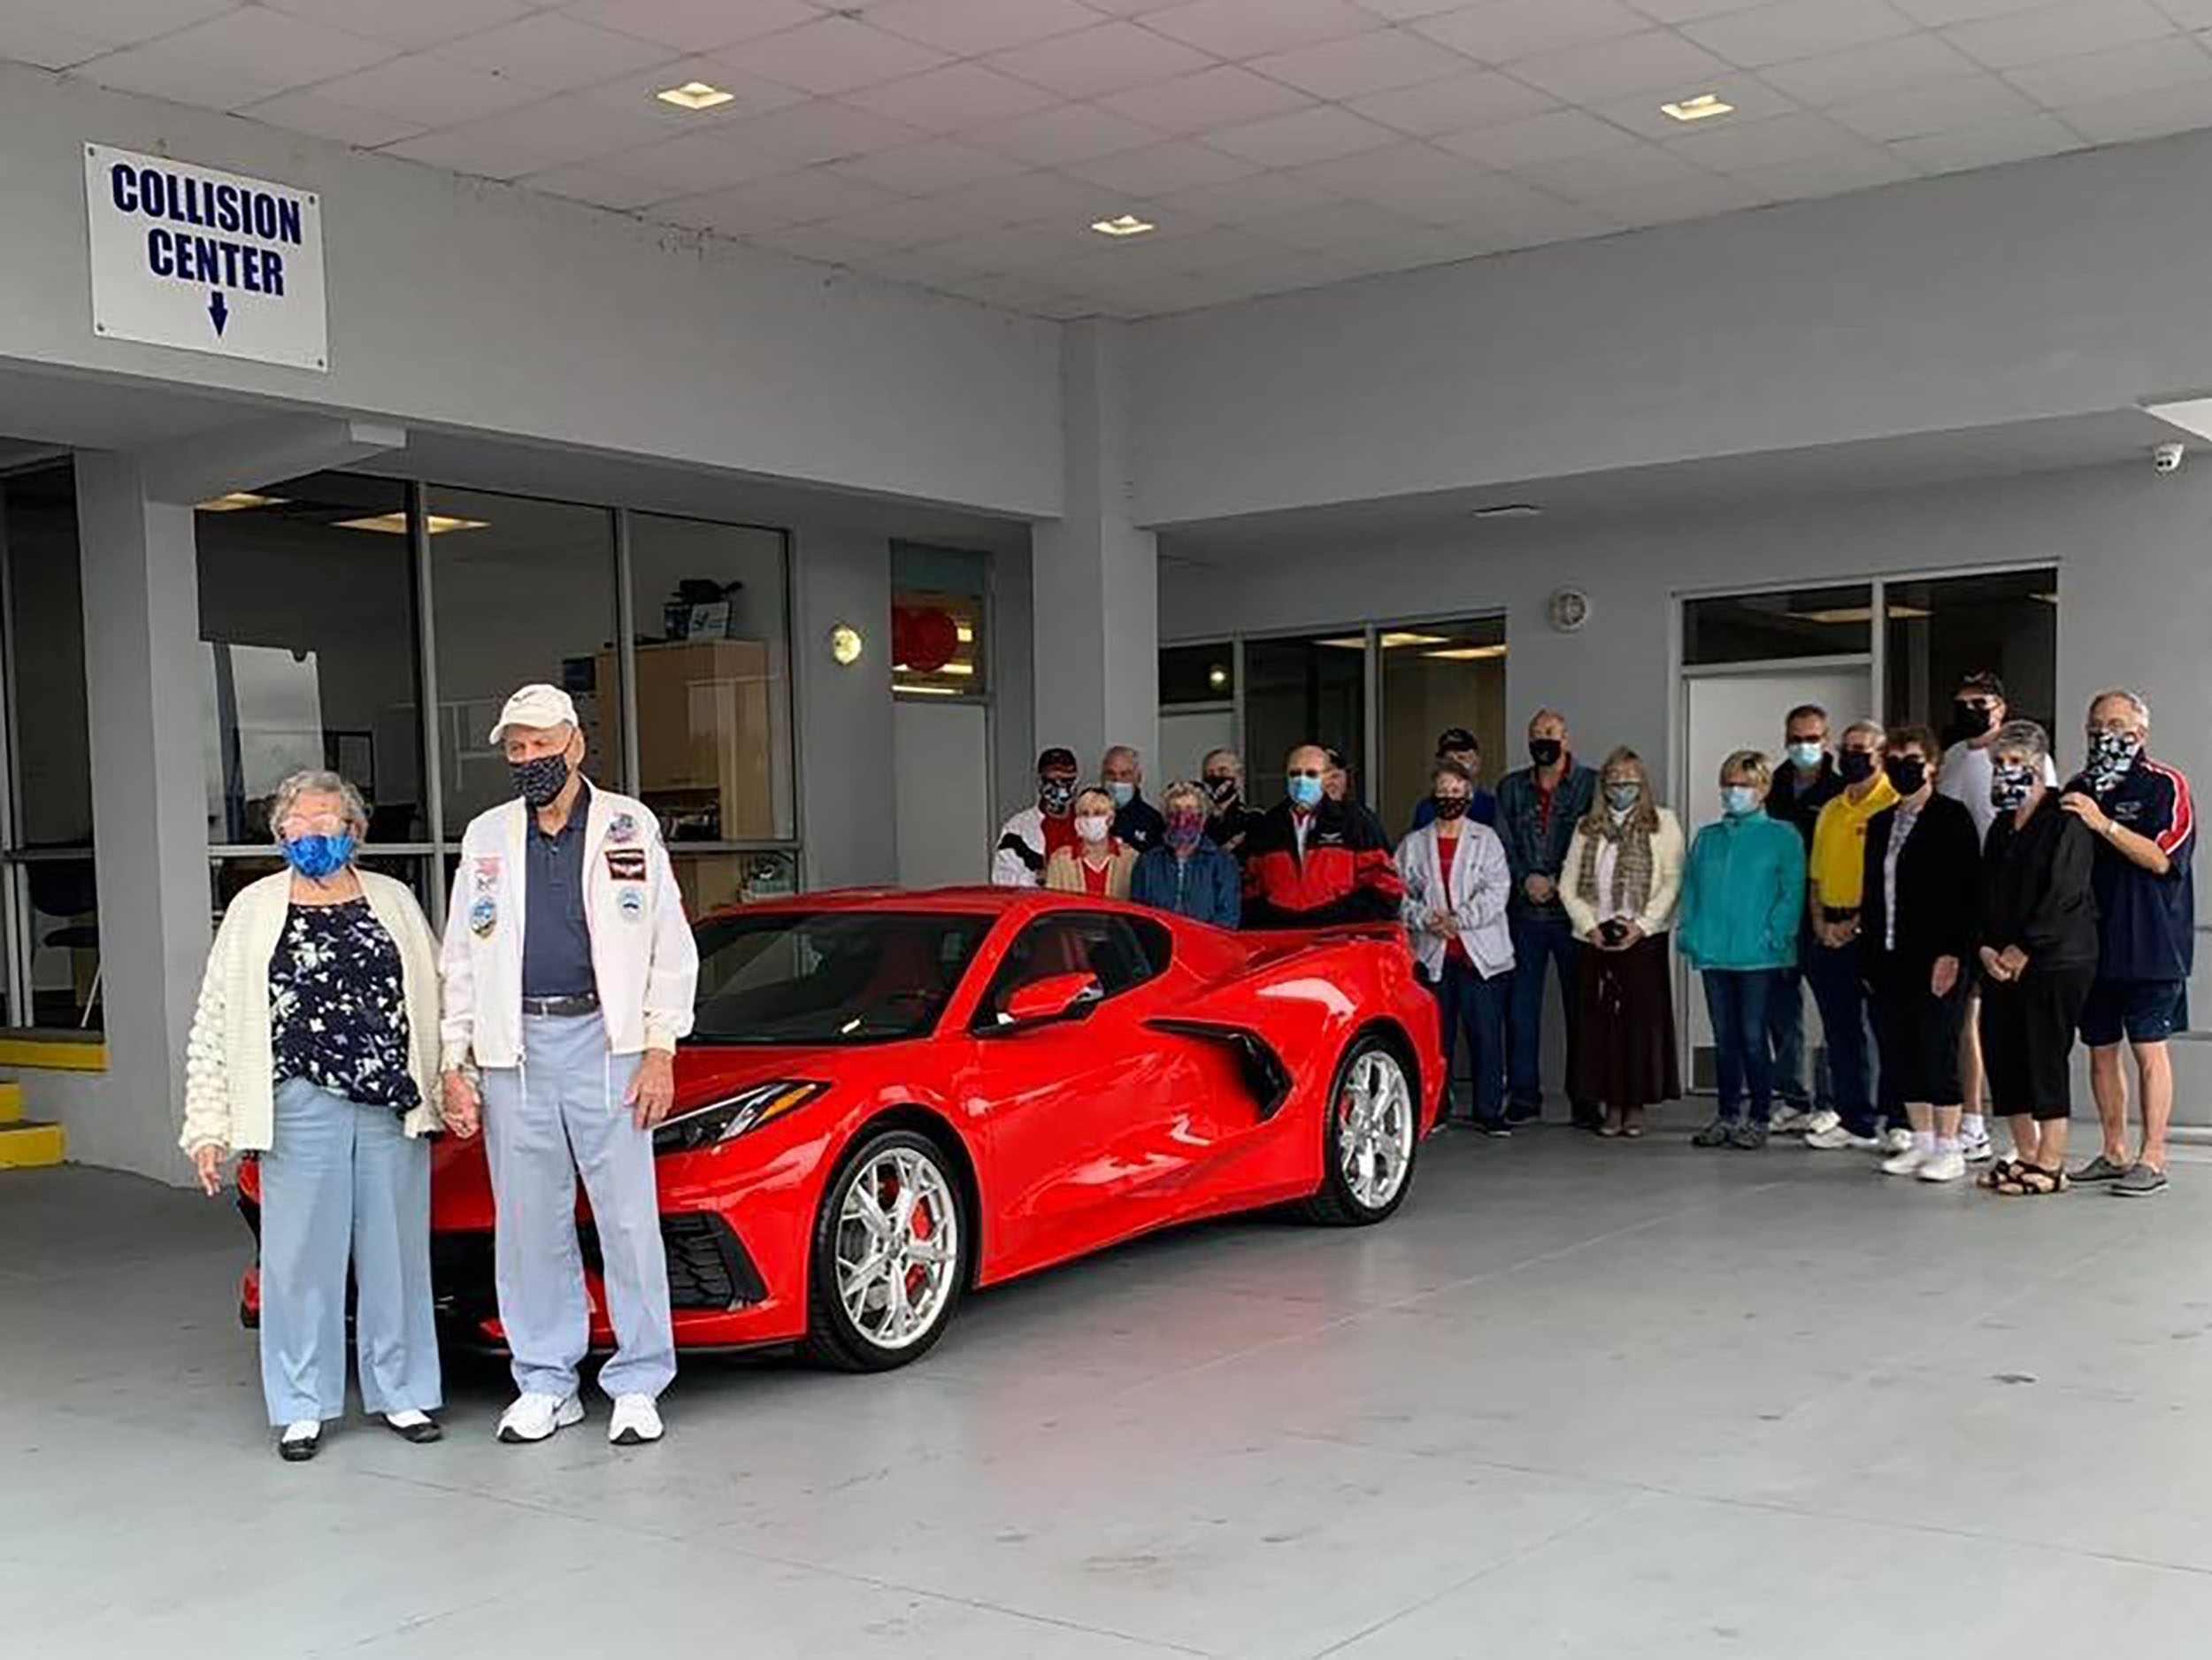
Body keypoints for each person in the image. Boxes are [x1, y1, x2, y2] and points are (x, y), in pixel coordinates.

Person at [438, 684, 698, 1448]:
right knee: (527, 1225)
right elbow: (461, 952)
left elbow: (667, 943)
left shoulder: (627, 824)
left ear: (575, 744)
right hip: (515, 1045)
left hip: (605, 1043)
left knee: (624, 1217)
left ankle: (639, 1377)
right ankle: (546, 1379)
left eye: (541, 747)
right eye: (515, 749)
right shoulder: (487, 835)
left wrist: (660, 1048)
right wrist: (456, 1057)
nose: (529, 761)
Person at [181, 770, 446, 1461]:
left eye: (326, 823)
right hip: (296, 1102)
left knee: (396, 1255)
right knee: (299, 1261)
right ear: (278, 835)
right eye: (296, 825)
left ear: (354, 832)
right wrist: (208, 1124)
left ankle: (403, 1391)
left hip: (389, 1103)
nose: (311, 835)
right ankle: (302, 1404)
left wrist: (458, 1079)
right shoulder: (252, 909)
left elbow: (435, 998)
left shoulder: (393, 900)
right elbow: (215, 1019)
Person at [2062, 690, 2195, 1197]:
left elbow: (2163, 858)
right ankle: (2114, 1150)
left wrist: (2104, 823)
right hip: (2092, 945)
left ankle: (2153, 1156)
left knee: (2148, 1048)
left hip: (2153, 943)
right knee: (2099, 1050)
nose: (2105, 733)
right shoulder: (2077, 788)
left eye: (2116, 724)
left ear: (2140, 733)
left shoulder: (2165, 786)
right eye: (2096, 724)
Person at [1974, 720, 2099, 1196]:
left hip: (2057, 960)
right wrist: (1986, 947)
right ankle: (2024, 1152)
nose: (2006, 773)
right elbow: (1986, 894)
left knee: (2045, 1052)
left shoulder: (2065, 820)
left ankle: (2051, 1160)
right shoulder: (2001, 828)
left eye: (2016, 765)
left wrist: (2024, 948)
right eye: (1999, 765)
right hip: (2000, 963)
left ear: (2038, 767)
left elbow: (2065, 893)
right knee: (2003, 1052)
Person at [1937, 671, 2055, 1163]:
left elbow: (2044, 827)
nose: (1969, 711)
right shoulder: (1952, 759)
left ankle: (2037, 1143)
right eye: (1960, 702)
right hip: (1966, 901)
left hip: (2017, 909)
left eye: (1979, 702)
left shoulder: (2031, 760)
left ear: (2001, 707)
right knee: (1966, 1016)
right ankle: (1970, 1120)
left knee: (2014, 1026)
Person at [1859, 726, 1980, 1184]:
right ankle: (1922, 1138)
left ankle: (1951, 1146)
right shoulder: (1880, 822)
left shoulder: (1952, 818)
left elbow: (1966, 892)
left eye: (1911, 759)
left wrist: (1952, 953)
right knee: (1899, 1047)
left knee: (1937, 1046)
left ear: (1932, 766)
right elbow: (1874, 890)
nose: (1901, 767)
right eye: (1892, 759)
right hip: (1889, 952)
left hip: (1937, 955)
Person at [1679, 751, 1808, 1148]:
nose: (1733, 792)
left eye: (1742, 784)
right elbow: (1692, 890)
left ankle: (1760, 1117)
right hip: (1715, 952)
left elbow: (1792, 892)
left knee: (1754, 1036)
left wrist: (1776, 935)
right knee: (1725, 1038)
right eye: (1728, 783)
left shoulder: (1783, 837)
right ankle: (1727, 1113)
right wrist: (1691, 934)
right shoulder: (1708, 838)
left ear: (1763, 788)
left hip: (1760, 956)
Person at [1561, 749, 1683, 1138]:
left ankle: (1635, 1106)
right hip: (1595, 937)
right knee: (1600, 1027)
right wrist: (1590, 925)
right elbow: (1568, 884)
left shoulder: (1663, 822)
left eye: (1629, 781)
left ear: (1642, 784)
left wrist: (1643, 925)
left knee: (1641, 1026)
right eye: (1614, 780)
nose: (1621, 788)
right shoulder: (1586, 827)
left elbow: (1673, 880)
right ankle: (1609, 1105)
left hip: (1642, 939)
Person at [1494, 710, 1600, 1126]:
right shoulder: (1510, 788)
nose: (1543, 740)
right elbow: (1502, 845)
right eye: (1536, 734)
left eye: (1551, 733)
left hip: (1575, 915)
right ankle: (1524, 1096)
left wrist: (1559, 881)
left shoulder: (1590, 785)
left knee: (1583, 1010)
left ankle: (1585, 1098)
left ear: (1567, 738)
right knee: (1521, 1010)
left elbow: (1596, 844)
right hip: (1524, 914)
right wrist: (1527, 880)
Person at [1396, 759, 1514, 1134]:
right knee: (1435, 1040)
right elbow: (1395, 893)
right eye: (1443, 791)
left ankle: (1489, 1110)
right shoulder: (1414, 844)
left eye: (1456, 791)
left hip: (1478, 953)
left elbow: (1497, 892)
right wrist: (1426, 918)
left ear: (1469, 795)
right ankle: (1436, 1110)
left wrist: (1459, 919)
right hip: (1433, 955)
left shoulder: (1487, 839)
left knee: (1486, 1037)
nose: (1449, 798)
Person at [1801, 719, 1898, 1154]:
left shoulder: (1892, 803)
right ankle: (1854, 1118)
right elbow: (1816, 877)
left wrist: (1856, 923)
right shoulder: (1831, 808)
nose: (1853, 755)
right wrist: (1821, 923)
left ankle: (1897, 1118)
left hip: (1872, 929)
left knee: (1887, 1027)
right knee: (1840, 1031)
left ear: (1881, 756)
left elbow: (1887, 880)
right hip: (1828, 930)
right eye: (1848, 748)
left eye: (1863, 749)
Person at [1763, 703, 1841, 1134]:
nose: (1802, 746)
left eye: (1811, 738)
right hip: (1780, 913)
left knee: (1834, 1010)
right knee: (1782, 1009)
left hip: (1825, 912)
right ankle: (1792, 1095)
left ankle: (1833, 1099)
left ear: (1825, 741)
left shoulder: (1839, 788)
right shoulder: (1773, 787)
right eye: (1795, 738)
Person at [1242, 743, 1404, 928]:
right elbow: (1250, 890)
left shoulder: (1356, 821)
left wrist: (1349, 924)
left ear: (1327, 778)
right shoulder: (1267, 826)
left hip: (1339, 940)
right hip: (1283, 942)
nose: (1301, 780)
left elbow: (1385, 886)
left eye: (1311, 774)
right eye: (1294, 773)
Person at [1132, 782, 1238, 924]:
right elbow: (1138, 913)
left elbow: (1228, 916)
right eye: (1175, 811)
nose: (1182, 818)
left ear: (1202, 817)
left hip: (1207, 942)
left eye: (1190, 810)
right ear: (1165, 817)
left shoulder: (1223, 862)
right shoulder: (1148, 861)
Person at [993, 747, 1082, 887]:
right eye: (1051, 779)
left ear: (1076, 782)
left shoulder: (1090, 823)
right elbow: (1001, 881)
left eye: (1066, 780)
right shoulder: (1016, 829)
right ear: (1040, 781)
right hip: (1038, 905)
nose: (1059, 786)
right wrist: (1036, 877)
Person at [1045, 787, 1137, 898]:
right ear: (1077, 820)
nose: (1091, 819)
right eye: (1085, 814)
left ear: (1111, 819)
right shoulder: (1060, 860)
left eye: (1098, 813)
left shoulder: (1130, 859)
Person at [1409, 727, 1497, 831]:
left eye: (1462, 758)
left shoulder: (1493, 808)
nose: (1456, 765)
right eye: (1449, 759)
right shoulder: (1426, 810)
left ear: (1477, 764)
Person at [1102, 745, 1165, 855]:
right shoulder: (1089, 814)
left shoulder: (1153, 821)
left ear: (1138, 778)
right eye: (1110, 774)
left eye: (1125, 774)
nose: (1117, 780)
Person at [1200, 748, 1260, 859]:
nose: (1216, 776)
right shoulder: (1194, 819)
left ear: (1240, 777)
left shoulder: (1254, 819)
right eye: (1210, 772)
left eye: (1223, 770)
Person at [1323, 747, 1390, 844]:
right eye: (1324, 777)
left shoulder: (1364, 820)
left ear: (1347, 780)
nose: (1330, 783)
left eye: (1335, 776)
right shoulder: (1299, 821)